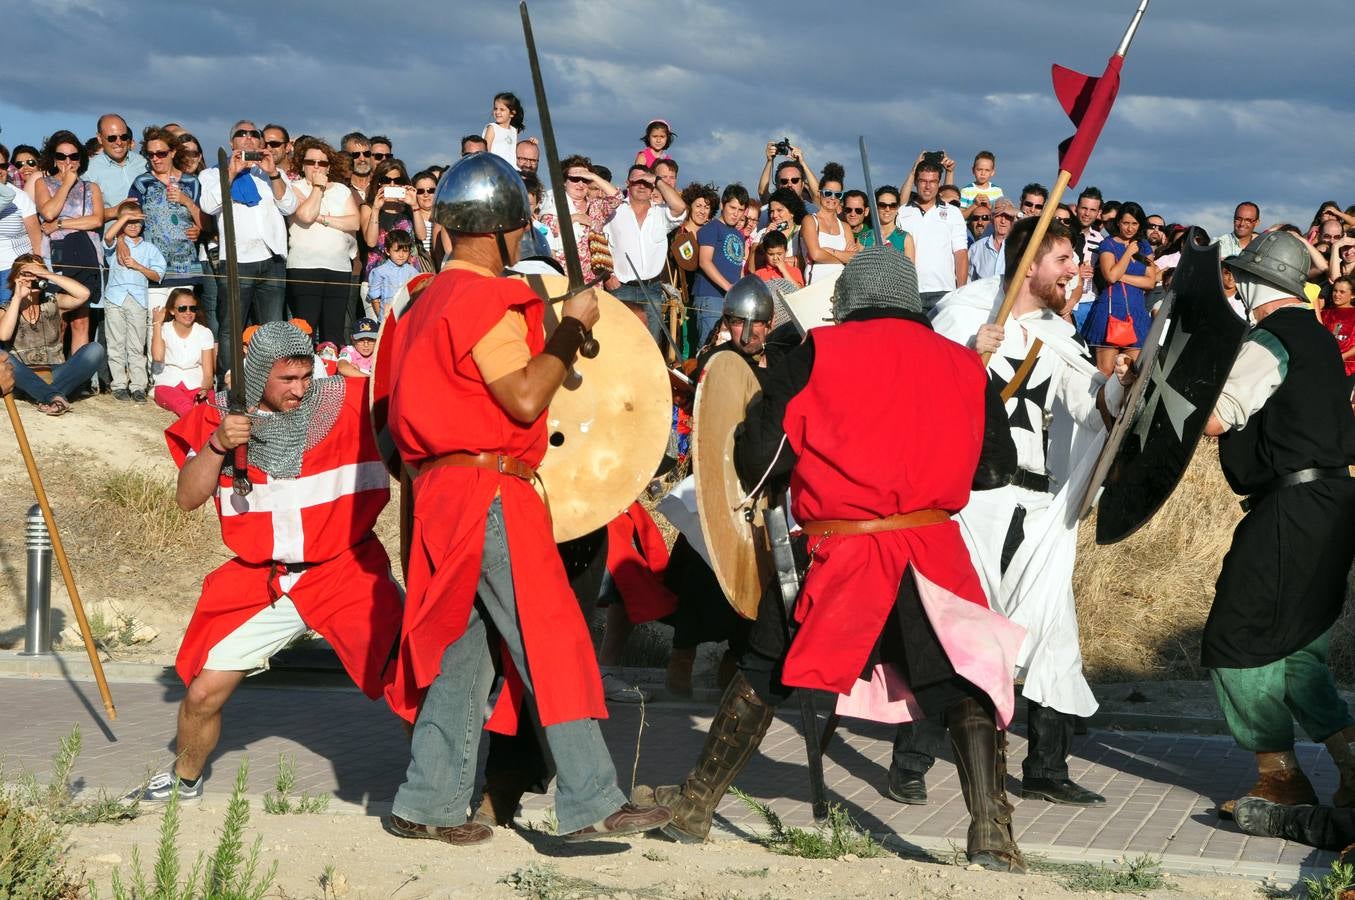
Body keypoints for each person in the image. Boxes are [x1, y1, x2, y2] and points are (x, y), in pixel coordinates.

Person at [636, 249, 1027, 873]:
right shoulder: (963, 364)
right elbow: (994, 468)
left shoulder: (818, 353)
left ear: (848, 299)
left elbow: (761, 457)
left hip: (838, 551)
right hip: (931, 548)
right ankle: (991, 831)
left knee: (766, 669)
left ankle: (695, 806)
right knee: (961, 682)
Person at [381, 152, 672, 846]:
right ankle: (592, 797)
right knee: (552, 637)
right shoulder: (485, 299)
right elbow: (522, 396)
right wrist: (570, 327)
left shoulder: (420, 305)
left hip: (437, 495)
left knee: (464, 654)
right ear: (508, 229)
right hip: (488, 485)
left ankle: (426, 802)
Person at [902, 218, 1135, 811]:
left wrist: (1120, 386)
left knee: (1053, 630)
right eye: (1062, 259)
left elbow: (1088, 407)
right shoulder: (965, 314)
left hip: (1037, 504)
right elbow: (924, 399)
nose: (1074, 271)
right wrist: (965, 358)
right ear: (1029, 264)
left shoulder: (1059, 334)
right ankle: (912, 759)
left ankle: (1046, 768)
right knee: (959, 628)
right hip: (975, 502)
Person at [132, 321, 404, 803]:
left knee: (410, 681)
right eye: (287, 379)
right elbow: (187, 497)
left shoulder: (346, 406)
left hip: (347, 571)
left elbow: (408, 388)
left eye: (306, 377)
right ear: (258, 375)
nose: (300, 390)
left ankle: (435, 788)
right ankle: (183, 781)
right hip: (264, 579)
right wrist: (218, 445)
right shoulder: (218, 417)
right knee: (201, 692)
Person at [1201, 231, 1355, 818]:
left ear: (1258, 282)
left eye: (1239, 277)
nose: (1233, 286)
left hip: (1295, 505)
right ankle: (1353, 767)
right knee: (1297, 648)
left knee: (1234, 637)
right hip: (1335, 501)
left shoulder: (1271, 339)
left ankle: (1280, 778)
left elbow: (1216, 418)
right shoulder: (1317, 335)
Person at [198, 120, 298, 336]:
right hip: (236, 260)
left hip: (271, 259)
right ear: (231, 142)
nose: (248, 137)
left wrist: (273, 174)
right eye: (241, 133)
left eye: (254, 133)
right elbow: (208, 205)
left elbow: (289, 206)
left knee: (273, 330)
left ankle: (268, 370)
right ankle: (228, 371)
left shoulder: (270, 172)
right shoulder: (213, 174)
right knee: (231, 330)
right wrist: (231, 173)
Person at [0, 254, 105, 414]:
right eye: (26, 273)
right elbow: (4, 335)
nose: (32, 278)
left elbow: (84, 294)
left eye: (36, 273)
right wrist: (17, 297)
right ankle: (52, 395)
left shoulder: (53, 302)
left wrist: (47, 274)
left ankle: (42, 394)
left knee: (95, 349)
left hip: (55, 373)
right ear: (15, 277)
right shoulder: (6, 307)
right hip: (21, 376)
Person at [35, 130, 104, 355]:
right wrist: (66, 184)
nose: (68, 162)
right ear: (53, 158)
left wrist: (62, 225)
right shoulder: (42, 184)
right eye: (62, 156)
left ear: (81, 158)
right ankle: (56, 376)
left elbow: (96, 220)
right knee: (58, 320)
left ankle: (79, 379)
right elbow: (48, 212)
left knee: (81, 322)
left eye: (74, 157)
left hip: (85, 254)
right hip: (56, 257)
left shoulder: (91, 187)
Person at [286, 137, 359, 347]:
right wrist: (317, 188)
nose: (317, 167)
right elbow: (307, 215)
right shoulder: (294, 187)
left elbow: (354, 222)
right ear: (302, 164)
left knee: (333, 331)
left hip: (338, 267)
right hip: (305, 266)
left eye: (323, 163)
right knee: (305, 329)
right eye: (311, 162)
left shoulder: (342, 190)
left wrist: (323, 219)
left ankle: (331, 373)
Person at [129, 126, 203, 330]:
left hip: (184, 264)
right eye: (151, 154)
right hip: (154, 265)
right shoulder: (142, 182)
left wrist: (186, 201)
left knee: (184, 323)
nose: (156, 159)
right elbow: (131, 218)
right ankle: (156, 363)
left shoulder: (191, 182)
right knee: (156, 325)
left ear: (172, 152)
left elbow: (205, 223)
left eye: (161, 153)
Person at [604, 163, 688, 341]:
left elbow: (680, 207)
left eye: (647, 182)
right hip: (620, 287)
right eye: (637, 182)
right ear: (628, 183)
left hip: (652, 289)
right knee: (619, 341)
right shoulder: (612, 210)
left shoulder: (661, 213)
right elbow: (598, 241)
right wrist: (606, 275)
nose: (642, 186)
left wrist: (657, 180)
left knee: (651, 345)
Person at [1080, 201, 1158, 374]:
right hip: (1109, 312)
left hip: (1136, 313)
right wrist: (1128, 253)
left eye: (1134, 224)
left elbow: (1150, 282)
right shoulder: (1108, 244)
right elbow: (1110, 276)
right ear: (1118, 223)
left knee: (1134, 375)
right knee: (1105, 374)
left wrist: (1119, 276)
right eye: (1126, 223)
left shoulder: (1143, 246)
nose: (1130, 228)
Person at [102, 201, 166, 402]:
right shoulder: (116, 243)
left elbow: (157, 275)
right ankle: (119, 384)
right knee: (115, 343)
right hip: (114, 298)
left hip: (138, 299)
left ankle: (138, 385)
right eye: (129, 221)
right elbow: (107, 237)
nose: (133, 225)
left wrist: (138, 266)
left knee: (137, 345)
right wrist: (123, 220)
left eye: (137, 221)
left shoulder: (149, 248)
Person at [538, 154, 621, 284]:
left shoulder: (595, 206)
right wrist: (574, 218)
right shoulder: (553, 204)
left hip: (592, 279)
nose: (581, 184)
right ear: (564, 182)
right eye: (575, 179)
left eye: (585, 180)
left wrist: (593, 176)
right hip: (562, 278)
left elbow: (617, 198)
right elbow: (548, 230)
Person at [898, 159, 967, 308]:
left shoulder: (953, 213)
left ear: (939, 183)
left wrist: (961, 292)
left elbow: (960, 253)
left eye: (933, 181)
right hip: (910, 291)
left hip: (944, 292)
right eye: (923, 181)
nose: (928, 186)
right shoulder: (902, 212)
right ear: (916, 182)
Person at [691, 183, 749, 341]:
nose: (736, 214)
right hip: (711, 297)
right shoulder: (712, 228)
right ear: (723, 205)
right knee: (708, 344)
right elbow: (705, 261)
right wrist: (729, 287)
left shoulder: (739, 235)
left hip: (731, 300)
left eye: (740, 210)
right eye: (732, 208)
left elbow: (738, 268)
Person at [151, 287, 215, 417]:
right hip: (168, 383)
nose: (188, 312)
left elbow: (208, 373)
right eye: (182, 308)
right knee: (186, 407)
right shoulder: (164, 329)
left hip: (196, 383)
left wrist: (205, 389)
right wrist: (157, 323)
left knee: (211, 408)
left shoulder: (205, 332)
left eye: (192, 308)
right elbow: (157, 357)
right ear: (172, 311)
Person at [798, 162, 857, 285]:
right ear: (820, 194)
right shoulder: (809, 220)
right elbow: (815, 254)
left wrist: (829, 250)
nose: (832, 198)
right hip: (816, 285)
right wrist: (843, 258)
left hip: (842, 286)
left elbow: (854, 259)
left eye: (838, 194)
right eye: (828, 193)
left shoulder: (845, 227)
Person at [359, 159, 416, 282]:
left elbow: (422, 235)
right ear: (379, 183)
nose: (391, 185)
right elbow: (370, 242)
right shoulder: (368, 208)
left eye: (397, 181)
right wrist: (375, 209)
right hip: (378, 277)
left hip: (407, 275)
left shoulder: (409, 207)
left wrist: (414, 205)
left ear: (404, 183)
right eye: (385, 180)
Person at [85, 114, 147, 225]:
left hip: (146, 240)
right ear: (99, 138)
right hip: (111, 240)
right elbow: (82, 215)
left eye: (123, 137)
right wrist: (116, 211)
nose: (118, 142)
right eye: (112, 138)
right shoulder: (88, 171)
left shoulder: (143, 164)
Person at [857, 185, 915, 261]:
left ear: (897, 208)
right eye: (882, 205)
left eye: (892, 205)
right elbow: (856, 269)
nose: (887, 209)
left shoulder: (906, 238)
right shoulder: (863, 239)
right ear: (875, 207)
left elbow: (909, 271)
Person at [968, 198, 1016, 281]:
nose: (1003, 221)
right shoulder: (976, 248)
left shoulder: (1021, 246)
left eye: (1008, 216)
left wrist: (1018, 213)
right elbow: (968, 282)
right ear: (992, 218)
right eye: (999, 215)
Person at [1320, 275, 1355, 378]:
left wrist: (1342, 356)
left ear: (1352, 295)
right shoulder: (1324, 313)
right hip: (1322, 365)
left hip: (1348, 369)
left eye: (1342, 292)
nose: (1337, 295)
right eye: (1335, 291)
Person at [484, 91, 526, 166]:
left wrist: (529, 142)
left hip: (510, 171)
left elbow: (516, 150)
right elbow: (485, 151)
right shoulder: (492, 128)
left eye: (502, 109)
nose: (497, 112)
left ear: (512, 113)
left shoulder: (514, 130)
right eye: (495, 108)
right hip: (495, 169)